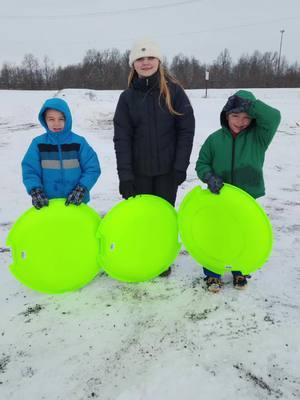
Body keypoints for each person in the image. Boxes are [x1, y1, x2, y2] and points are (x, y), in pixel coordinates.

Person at [113, 38, 195, 276]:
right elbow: (122, 139)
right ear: (133, 64)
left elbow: (186, 130)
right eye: (140, 58)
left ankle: (161, 260)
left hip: (167, 173)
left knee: (163, 219)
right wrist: (125, 176)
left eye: (150, 58)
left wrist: (180, 166)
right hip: (138, 173)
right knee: (142, 219)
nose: (146, 62)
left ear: (159, 61)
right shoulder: (127, 98)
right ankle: (145, 256)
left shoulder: (175, 92)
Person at [196, 90, 281, 292]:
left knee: (243, 234)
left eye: (246, 117)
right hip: (220, 198)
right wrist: (209, 176)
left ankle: (239, 269)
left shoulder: (259, 137)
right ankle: (213, 274)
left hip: (246, 199)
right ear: (226, 116)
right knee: (216, 234)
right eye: (235, 115)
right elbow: (202, 163)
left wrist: (250, 105)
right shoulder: (214, 140)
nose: (240, 121)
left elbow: (274, 117)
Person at [22, 97, 100, 209]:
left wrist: (82, 188)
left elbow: (92, 168)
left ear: (67, 119)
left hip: (75, 203)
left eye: (61, 119)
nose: (56, 123)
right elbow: (30, 170)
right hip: (48, 204)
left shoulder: (79, 143)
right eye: (51, 119)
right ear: (44, 120)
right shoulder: (38, 144)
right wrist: (35, 189)